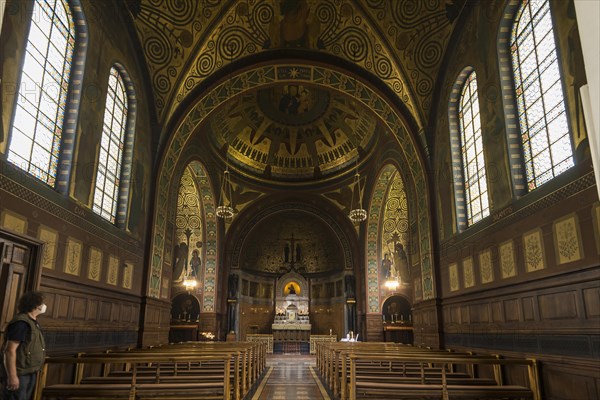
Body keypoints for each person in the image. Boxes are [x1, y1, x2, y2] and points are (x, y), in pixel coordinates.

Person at [1, 291, 47, 400]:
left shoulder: (32, 322)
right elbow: (9, 351)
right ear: (36, 305)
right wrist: (12, 376)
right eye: (42, 303)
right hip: (19, 373)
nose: (44, 306)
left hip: (29, 371)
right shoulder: (21, 323)